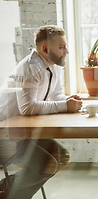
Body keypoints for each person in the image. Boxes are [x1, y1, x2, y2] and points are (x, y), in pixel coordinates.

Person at [0, 25, 83, 199]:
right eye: (61, 47)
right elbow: (27, 107)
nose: (66, 51)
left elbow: (57, 95)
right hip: (6, 136)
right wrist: (65, 106)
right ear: (45, 49)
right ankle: (9, 192)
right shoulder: (31, 67)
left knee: (62, 156)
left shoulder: (54, 66)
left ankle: (9, 190)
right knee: (48, 163)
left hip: (25, 133)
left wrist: (68, 101)